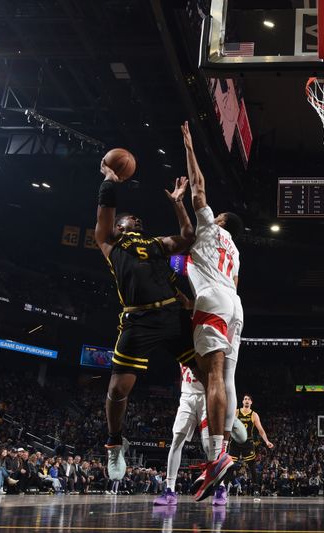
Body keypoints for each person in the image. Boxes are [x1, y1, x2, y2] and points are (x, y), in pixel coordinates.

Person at [94, 160, 196, 481]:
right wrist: (110, 181)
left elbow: (188, 237)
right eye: (129, 219)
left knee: (209, 372)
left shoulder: (155, 245)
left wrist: (179, 203)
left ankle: (224, 431)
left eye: (138, 219)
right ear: (121, 226)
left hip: (171, 315)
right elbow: (106, 212)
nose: (135, 220)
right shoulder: (111, 243)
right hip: (138, 322)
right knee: (118, 389)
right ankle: (114, 443)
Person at [180, 121, 246, 502]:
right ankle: (231, 431)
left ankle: (216, 454)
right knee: (228, 376)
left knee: (212, 378)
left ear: (221, 221)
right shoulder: (235, 253)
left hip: (213, 299)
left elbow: (199, 189)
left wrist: (190, 148)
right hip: (234, 305)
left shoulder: (211, 227)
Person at [154, 363, 248, 506]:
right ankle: (169, 490)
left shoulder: (206, 342)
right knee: (177, 440)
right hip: (187, 397)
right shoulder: (181, 344)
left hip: (207, 396)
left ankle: (220, 487)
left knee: (209, 446)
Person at [229, 394, 275, 497]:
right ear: (242, 401)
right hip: (235, 442)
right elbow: (228, 426)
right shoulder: (236, 412)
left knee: (252, 467)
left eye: (248, 399)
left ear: (251, 402)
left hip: (247, 442)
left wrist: (267, 441)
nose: (246, 400)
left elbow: (261, 431)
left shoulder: (254, 415)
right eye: (245, 399)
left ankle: (256, 489)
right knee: (230, 466)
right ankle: (224, 488)